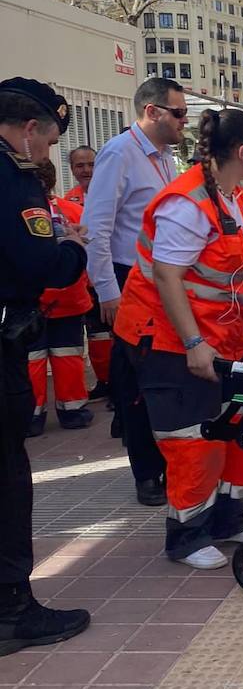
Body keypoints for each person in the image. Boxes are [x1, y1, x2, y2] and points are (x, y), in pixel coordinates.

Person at [115, 109, 243, 569]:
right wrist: (195, 343)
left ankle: (228, 517)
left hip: (232, 342)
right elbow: (167, 276)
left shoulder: (242, 198)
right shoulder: (187, 203)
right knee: (193, 441)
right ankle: (186, 534)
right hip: (172, 344)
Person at [0, 77, 91, 655]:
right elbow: (41, 261)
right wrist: (74, 247)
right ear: (30, 130)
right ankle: (12, 608)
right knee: (8, 477)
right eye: (52, 141)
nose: (49, 155)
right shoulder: (15, 180)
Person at [83, 79, 187, 506]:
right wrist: (108, 291)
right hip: (129, 282)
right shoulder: (119, 154)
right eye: (178, 113)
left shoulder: (164, 159)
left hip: (161, 280)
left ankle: (168, 462)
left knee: (163, 373)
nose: (184, 121)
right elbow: (96, 229)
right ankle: (147, 472)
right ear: (152, 111)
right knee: (136, 381)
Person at [26, 160, 94, 434]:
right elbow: (86, 256)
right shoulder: (74, 210)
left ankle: (33, 415)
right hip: (69, 296)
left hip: (33, 299)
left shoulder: (21, 212)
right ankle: (73, 410)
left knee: (32, 357)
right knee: (68, 355)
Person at [63, 145, 111, 401]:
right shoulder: (67, 201)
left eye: (91, 164)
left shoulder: (112, 193)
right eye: (80, 166)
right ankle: (104, 381)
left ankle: (118, 384)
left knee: (116, 335)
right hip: (85, 283)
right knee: (96, 335)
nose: (86, 170)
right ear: (72, 169)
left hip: (112, 277)